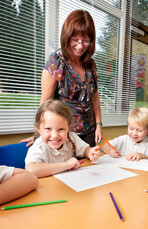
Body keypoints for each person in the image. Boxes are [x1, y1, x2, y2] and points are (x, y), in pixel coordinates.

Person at [21, 9, 102, 147]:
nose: (80, 46)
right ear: (67, 36)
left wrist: (99, 125)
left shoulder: (91, 65)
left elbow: (94, 98)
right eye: (75, 39)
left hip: (89, 132)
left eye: (86, 40)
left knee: (89, 168)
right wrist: (39, 134)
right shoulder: (56, 62)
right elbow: (45, 101)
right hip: (63, 135)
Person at [25, 100, 101, 178]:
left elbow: (85, 150)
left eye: (61, 129)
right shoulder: (39, 147)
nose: (54, 136)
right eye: (48, 128)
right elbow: (31, 170)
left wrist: (90, 152)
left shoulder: (71, 137)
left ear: (69, 128)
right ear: (38, 129)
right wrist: (66, 165)